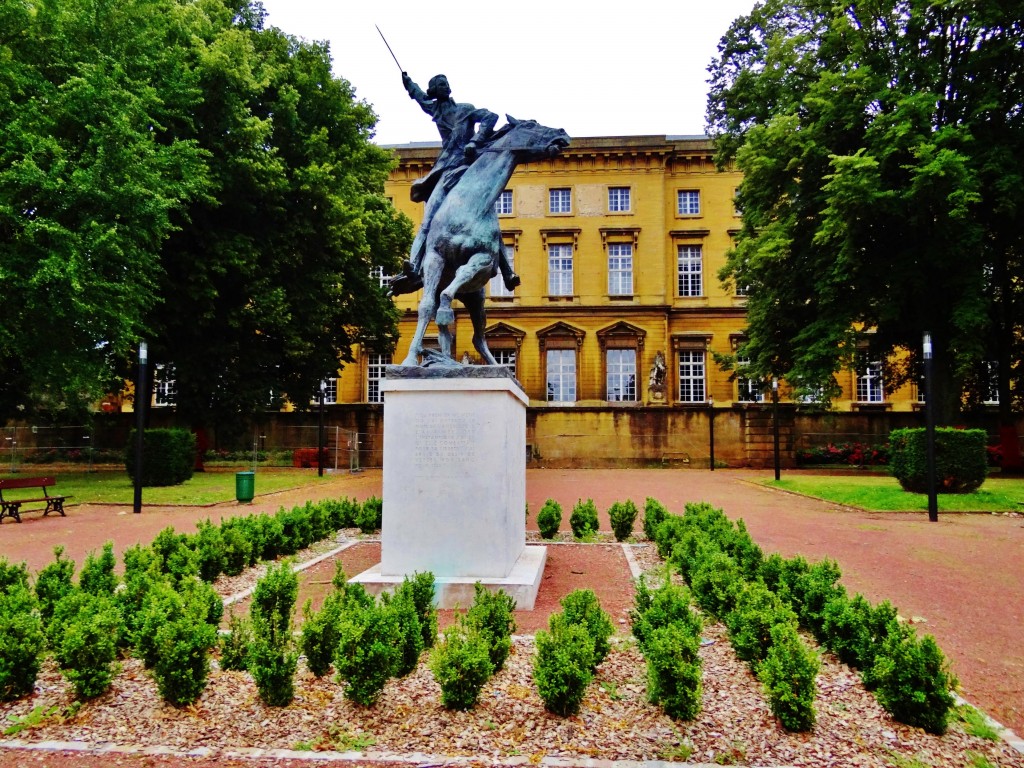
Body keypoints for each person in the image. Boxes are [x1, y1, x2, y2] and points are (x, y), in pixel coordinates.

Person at [397, 72, 519, 291]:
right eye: (440, 85)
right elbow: (419, 98)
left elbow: (491, 117)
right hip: (445, 172)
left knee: (489, 218)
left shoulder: (465, 109)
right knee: (428, 222)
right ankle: (414, 268)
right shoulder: (436, 110)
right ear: (435, 91)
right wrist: (408, 84)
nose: (445, 87)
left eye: (446, 83)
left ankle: (508, 272)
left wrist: (476, 140)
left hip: (469, 171)